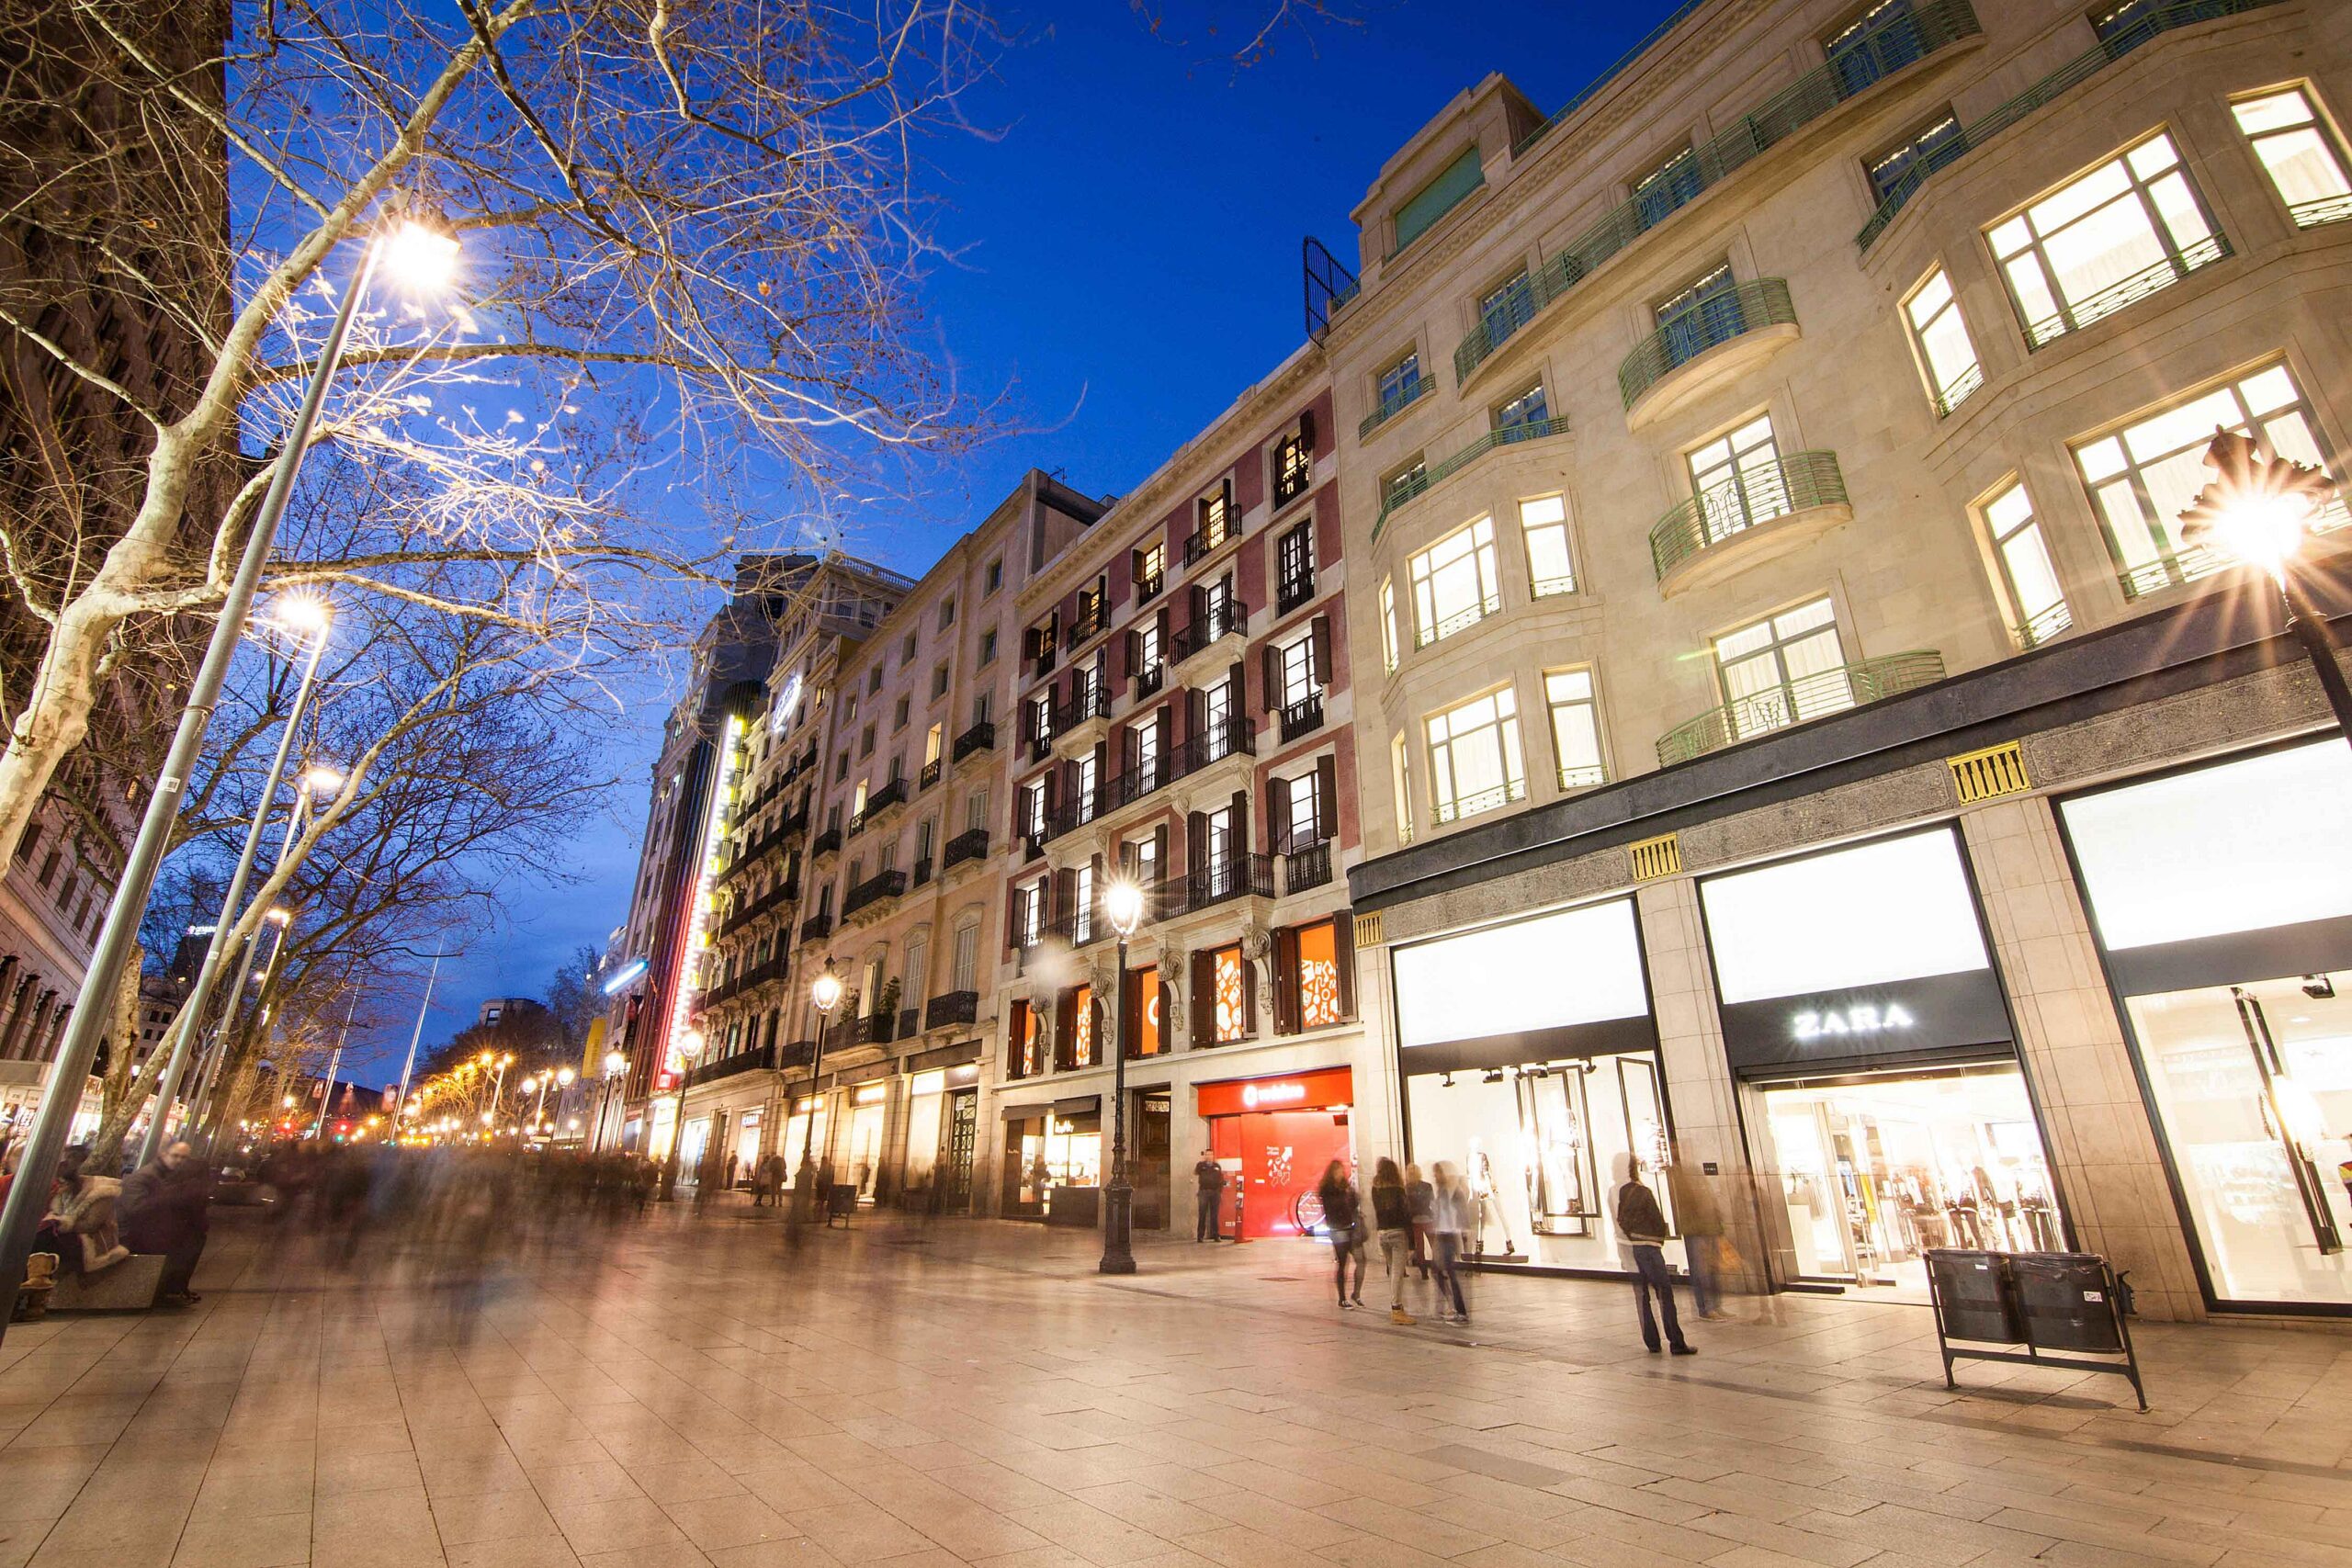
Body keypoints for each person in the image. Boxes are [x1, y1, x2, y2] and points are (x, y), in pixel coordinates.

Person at [1613, 1155, 1695, 1356]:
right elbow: (1657, 1219)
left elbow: (1620, 1219)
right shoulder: (1643, 1192)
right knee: (1664, 1294)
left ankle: (1652, 1342)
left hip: (1631, 1247)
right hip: (1648, 1247)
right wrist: (1658, 1238)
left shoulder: (1622, 1191)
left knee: (1642, 1297)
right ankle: (1676, 1342)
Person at [121, 1141, 211, 1305]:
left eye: (184, 1158)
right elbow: (136, 1210)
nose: (179, 1161)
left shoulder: (167, 1176)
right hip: (133, 1233)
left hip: (149, 1228)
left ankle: (174, 1288)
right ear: (163, 1154)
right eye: (175, 1156)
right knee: (185, 1240)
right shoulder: (145, 1176)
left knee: (195, 1235)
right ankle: (169, 1289)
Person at [39, 1145, 129, 1279]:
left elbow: (90, 1225)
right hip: (69, 1238)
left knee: (44, 1237)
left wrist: (61, 1224)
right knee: (39, 1235)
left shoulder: (102, 1191)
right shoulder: (63, 1192)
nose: (58, 1186)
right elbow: (55, 1213)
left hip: (94, 1246)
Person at [1667, 1160, 1727, 1321]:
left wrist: (1718, 1227)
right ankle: (1706, 1308)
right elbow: (1688, 1211)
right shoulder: (1683, 1189)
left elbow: (1712, 1207)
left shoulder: (1702, 1188)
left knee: (1713, 1269)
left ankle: (1715, 1305)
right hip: (1696, 1231)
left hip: (1709, 1229)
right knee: (1701, 1271)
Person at [1369, 1157, 1415, 1325]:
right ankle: (1396, 1308)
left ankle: (1397, 1306)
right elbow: (1405, 1215)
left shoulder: (1376, 1190)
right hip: (1397, 1233)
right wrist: (1412, 1243)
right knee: (1397, 1273)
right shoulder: (1398, 1190)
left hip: (1383, 1233)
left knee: (1392, 1271)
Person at [1315, 1159, 1366, 1308]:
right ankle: (1342, 1298)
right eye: (1337, 1171)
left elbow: (1353, 1204)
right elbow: (1332, 1208)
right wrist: (1345, 1198)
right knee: (1343, 1263)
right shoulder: (1327, 1190)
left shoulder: (1346, 1187)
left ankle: (1356, 1293)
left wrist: (1354, 1196)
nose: (1340, 1173)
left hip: (1350, 1227)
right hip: (1338, 1229)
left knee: (1361, 1259)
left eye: (1341, 1170)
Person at [1426, 1161, 1471, 1323]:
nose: (1435, 1176)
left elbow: (1456, 1215)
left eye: (1437, 1172)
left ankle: (1458, 1309)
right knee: (1440, 1271)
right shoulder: (1443, 1191)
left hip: (1448, 1236)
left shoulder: (1451, 1192)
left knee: (1447, 1272)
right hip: (1443, 1235)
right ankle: (1450, 1307)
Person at [1403, 1162, 1435, 1281]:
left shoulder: (1409, 1188)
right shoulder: (1423, 1187)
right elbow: (1431, 1201)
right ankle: (1425, 1271)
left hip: (1420, 1218)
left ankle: (1426, 1271)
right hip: (1420, 1219)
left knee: (1427, 1245)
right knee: (1422, 1247)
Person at [1193, 1151, 1226, 1242]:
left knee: (1214, 1215)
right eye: (1207, 1154)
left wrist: (1219, 1191)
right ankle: (1200, 1236)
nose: (1209, 1156)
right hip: (1204, 1192)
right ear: (1205, 1156)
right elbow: (1196, 1172)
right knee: (1202, 1214)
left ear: (1213, 1156)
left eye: (1211, 1154)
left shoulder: (1217, 1166)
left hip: (1215, 1193)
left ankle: (1215, 1234)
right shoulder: (1201, 1165)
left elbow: (1221, 1179)